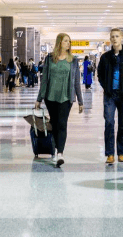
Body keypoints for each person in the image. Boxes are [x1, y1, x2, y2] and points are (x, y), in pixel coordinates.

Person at [35, 33, 84, 167]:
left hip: (66, 97)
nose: (68, 43)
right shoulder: (49, 59)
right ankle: (55, 149)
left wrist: (80, 101)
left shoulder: (73, 60)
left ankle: (60, 153)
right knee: (54, 124)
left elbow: (76, 82)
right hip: (50, 97)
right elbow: (44, 80)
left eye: (69, 41)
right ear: (59, 43)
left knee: (62, 124)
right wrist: (39, 99)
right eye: (66, 41)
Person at [97, 28, 123, 164]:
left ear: (122, 38)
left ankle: (121, 152)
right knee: (109, 123)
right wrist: (106, 87)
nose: (114, 39)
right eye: (112, 36)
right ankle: (110, 154)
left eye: (117, 36)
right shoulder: (105, 57)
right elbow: (99, 74)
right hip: (110, 96)